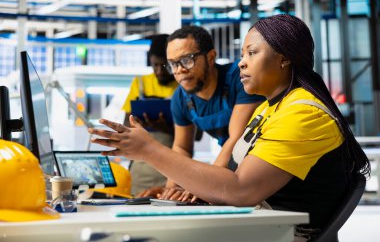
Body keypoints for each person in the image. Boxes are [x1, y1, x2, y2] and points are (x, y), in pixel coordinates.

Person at [89, 15, 370, 241]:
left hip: (284, 233)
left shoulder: (303, 113)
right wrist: (192, 188)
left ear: (284, 58)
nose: (241, 62)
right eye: (242, 53)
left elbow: (240, 190)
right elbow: (233, 173)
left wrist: (149, 150)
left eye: (252, 52)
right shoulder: (270, 107)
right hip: (262, 223)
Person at [138, 26, 265, 199]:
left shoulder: (240, 78)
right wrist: (168, 191)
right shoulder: (181, 98)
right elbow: (181, 148)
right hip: (230, 171)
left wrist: (204, 185)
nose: (179, 70)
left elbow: (236, 139)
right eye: (173, 64)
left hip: (261, 165)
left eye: (187, 60)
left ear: (211, 57)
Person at [121, 34, 178, 196]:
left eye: (165, 66)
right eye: (155, 65)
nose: (159, 71)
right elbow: (125, 127)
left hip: (173, 171)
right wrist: (138, 123)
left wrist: (166, 128)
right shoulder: (139, 83)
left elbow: (196, 136)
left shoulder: (183, 86)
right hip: (140, 170)